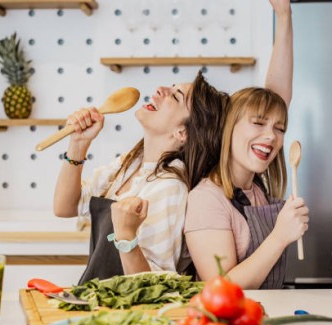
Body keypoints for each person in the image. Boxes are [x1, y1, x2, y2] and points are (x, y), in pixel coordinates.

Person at [53, 72, 229, 284]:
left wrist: (126, 235)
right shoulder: (130, 163)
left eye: (175, 96)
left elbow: (153, 285)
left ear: (183, 132)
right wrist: (78, 144)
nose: (161, 90)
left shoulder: (170, 187)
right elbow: (65, 207)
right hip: (101, 303)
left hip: (124, 312)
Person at [184, 0, 309, 289]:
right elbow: (221, 290)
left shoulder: (256, 188)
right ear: (230, 126)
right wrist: (280, 236)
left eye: (279, 129)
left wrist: (284, 14)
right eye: (258, 123)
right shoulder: (206, 199)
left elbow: (278, 96)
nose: (271, 136)